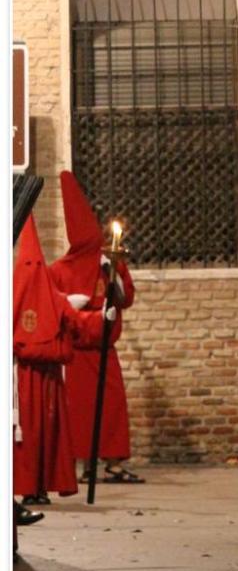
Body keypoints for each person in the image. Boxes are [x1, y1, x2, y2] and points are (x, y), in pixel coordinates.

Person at [48, 171, 142, 484]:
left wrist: (113, 272)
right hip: (75, 354)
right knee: (81, 409)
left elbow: (126, 299)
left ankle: (113, 463)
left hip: (104, 350)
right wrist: (75, 308)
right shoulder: (58, 270)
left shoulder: (109, 264)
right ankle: (85, 465)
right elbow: (53, 308)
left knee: (111, 407)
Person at [13, 215, 107, 510]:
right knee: (28, 433)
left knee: (45, 432)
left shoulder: (41, 295)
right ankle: (27, 487)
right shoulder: (22, 293)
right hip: (21, 377)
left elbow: (77, 321)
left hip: (45, 377)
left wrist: (102, 318)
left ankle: (38, 486)